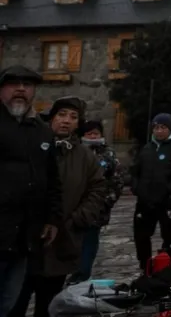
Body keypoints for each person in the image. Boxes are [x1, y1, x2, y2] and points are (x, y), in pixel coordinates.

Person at [11, 97, 107, 317]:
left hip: (62, 240)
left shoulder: (84, 156)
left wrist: (78, 219)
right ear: (52, 118)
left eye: (73, 117)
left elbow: (98, 188)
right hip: (25, 239)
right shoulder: (32, 145)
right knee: (14, 301)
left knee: (49, 304)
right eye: (62, 115)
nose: (66, 121)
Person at [0, 66, 61, 317]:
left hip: (26, 235)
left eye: (28, 85)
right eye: (14, 84)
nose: (21, 89)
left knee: (9, 302)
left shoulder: (42, 131)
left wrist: (53, 218)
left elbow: (52, 179)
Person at [130, 113, 171, 272]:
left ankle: (165, 267)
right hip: (145, 201)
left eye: (163, 127)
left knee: (169, 236)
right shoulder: (147, 148)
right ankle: (145, 266)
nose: (159, 131)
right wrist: (136, 188)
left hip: (167, 201)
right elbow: (135, 171)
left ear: (170, 129)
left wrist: (169, 188)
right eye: (156, 127)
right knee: (141, 235)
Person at [71, 121, 125, 283]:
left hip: (97, 209)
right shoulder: (74, 152)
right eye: (89, 133)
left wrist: (105, 202)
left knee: (89, 243)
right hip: (73, 208)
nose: (93, 136)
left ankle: (82, 274)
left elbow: (117, 181)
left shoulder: (108, 154)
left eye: (96, 133)